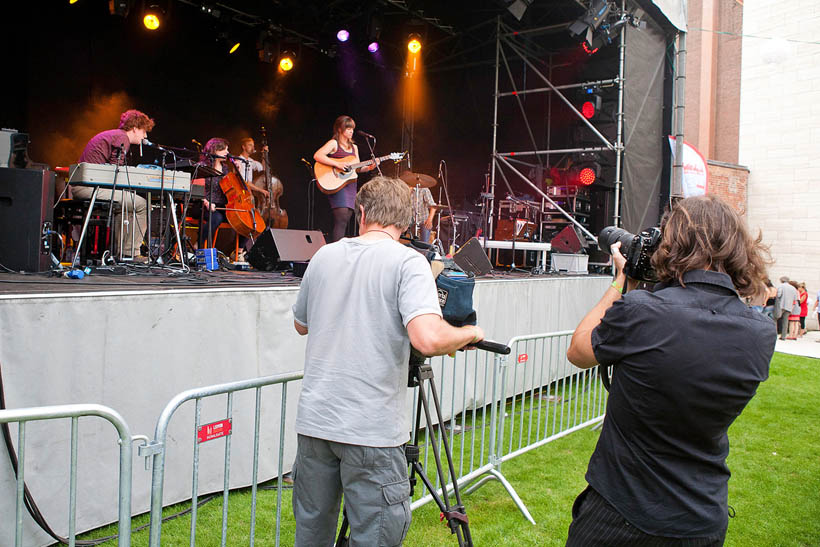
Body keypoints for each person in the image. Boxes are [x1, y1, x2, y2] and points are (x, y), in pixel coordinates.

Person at [565, 195, 775, 546]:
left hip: (621, 514)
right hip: (702, 518)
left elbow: (579, 351)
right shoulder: (760, 333)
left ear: (674, 243)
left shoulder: (643, 312)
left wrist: (622, 280)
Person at [291, 175, 485, 546]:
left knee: (311, 536)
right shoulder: (408, 263)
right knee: (375, 537)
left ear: (360, 213)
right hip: (372, 431)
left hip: (316, 425)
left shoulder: (324, 255)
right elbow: (427, 338)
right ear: (407, 222)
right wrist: (469, 334)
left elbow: (301, 325)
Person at [74, 109, 154, 258]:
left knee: (129, 205)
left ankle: (122, 253)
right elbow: (115, 172)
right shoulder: (122, 138)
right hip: (89, 188)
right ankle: (131, 253)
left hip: (86, 186)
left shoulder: (114, 135)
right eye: (143, 131)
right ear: (135, 129)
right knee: (143, 205)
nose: (145, 136)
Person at [313, 115, 379, 243]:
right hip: (337, 184)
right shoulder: (334, 143)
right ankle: (336, 251)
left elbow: (357, 168)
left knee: (347, 217)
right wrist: (337, 164)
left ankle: (338, 248)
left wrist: (369, 167)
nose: (351, 131)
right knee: (342, 217)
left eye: (352, 129)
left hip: (350, 185)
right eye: (348, 128)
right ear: (339, 129)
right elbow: (318, 155)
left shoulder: (354, 147)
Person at [197, 138, 249, 254]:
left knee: (245, 218)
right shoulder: (202, 166)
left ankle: (239, 251)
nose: (227, 152)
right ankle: (199, 245)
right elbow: (195, 188)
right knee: (216, 218)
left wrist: (237, 172)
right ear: (215, 150)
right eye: (224, 149)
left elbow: (233, 188)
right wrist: (206, 202)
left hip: (221, 206)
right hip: (203, 204)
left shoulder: (225, 168)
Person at [774, 276, 798, 341]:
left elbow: (778, 295)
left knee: (775, 319)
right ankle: (783, 336)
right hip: (789, 307)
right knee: (785, 321)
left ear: (782, 280)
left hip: (781, 305)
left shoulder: (781, 286)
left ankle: (774, 334)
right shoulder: (793, 288)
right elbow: (795, 298)